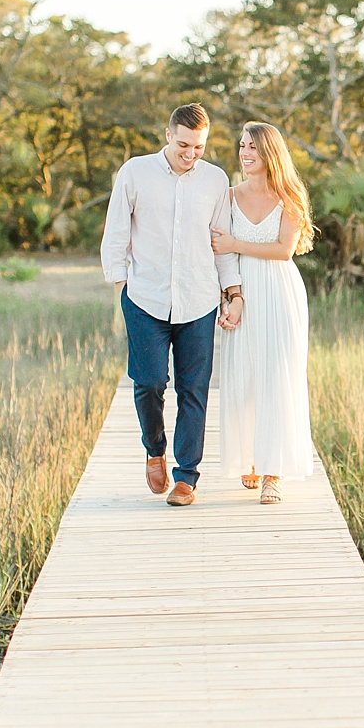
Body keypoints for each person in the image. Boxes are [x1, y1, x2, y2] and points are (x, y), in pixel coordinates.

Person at [99, 103, 245, 507]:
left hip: (198, 298)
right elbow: (115, 232)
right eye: (183, 144)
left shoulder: (215, 180)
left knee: (193, 389)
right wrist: (120, 284)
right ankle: (154, 449)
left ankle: (186, 477)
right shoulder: (135, 172)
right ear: (168, 135)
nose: (190, 154)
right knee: (148, 384)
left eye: (198, 147)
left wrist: (232, 292)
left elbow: (222, 243)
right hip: (145, 297)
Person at [212, 121, 315, 504]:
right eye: (242, 145)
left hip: (279, 290)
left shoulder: (289, 196)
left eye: (253, 147)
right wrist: (230, 294)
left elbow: (283, 250)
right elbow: (217, 250)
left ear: (269, 152)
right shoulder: (228, 195)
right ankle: (251, 458)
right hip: (244, 291)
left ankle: (275, 472)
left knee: (277, 375)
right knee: (244, 374)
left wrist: (236, 242)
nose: (245, 153)